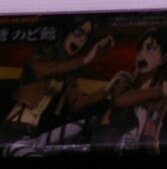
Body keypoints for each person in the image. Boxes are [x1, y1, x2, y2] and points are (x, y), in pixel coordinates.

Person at [0, 17, 114, 152]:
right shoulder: (43, 53)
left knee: (84, 125)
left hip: (34, 132)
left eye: (87, 36)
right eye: (79, 32)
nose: (82, 39)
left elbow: (77, 103)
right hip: (15, 128)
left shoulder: (69, 71)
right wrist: (85, 60)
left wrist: (108, 88)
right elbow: (41, 70)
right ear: (66, 31)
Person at [93, 27, 167, 151]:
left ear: (162, 59)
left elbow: (154, 130)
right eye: (140, 49)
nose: (141, 53)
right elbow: (120, 101)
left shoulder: (165, 94)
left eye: (150, 48)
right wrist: (161, 91)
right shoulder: (125, 79)